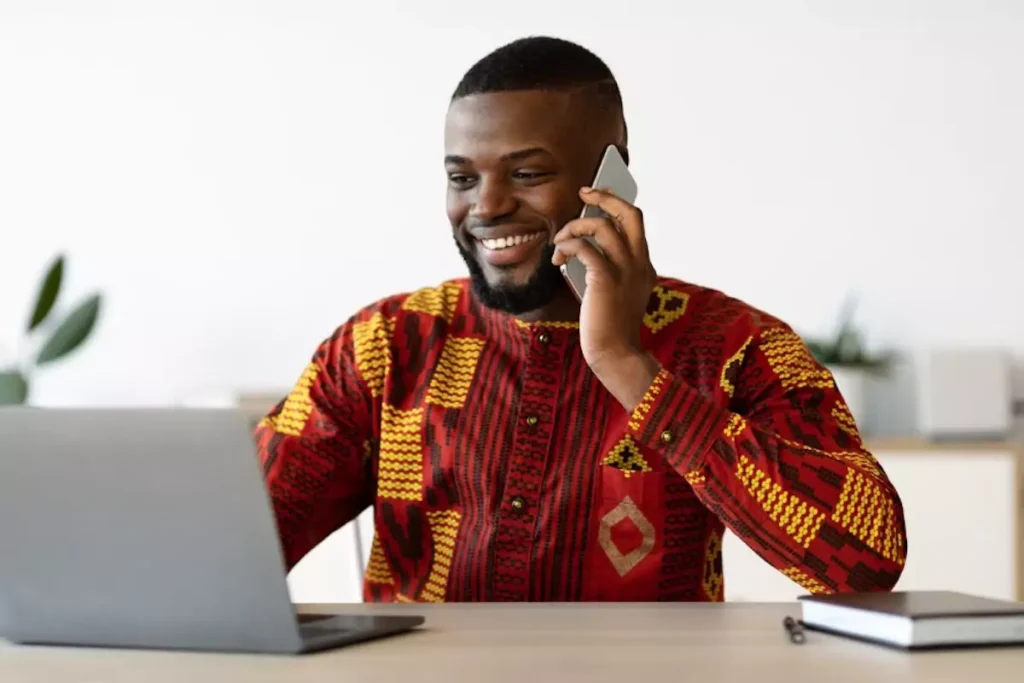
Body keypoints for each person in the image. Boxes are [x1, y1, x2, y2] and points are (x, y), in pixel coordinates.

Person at [256, 36, 907, 602]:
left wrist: (629, 367)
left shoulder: (735, 344)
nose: (486, 206)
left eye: (528, 172)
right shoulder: (386, 345)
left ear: (612, 174)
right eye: (462, 178)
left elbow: (867, 560)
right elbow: (237, 544)